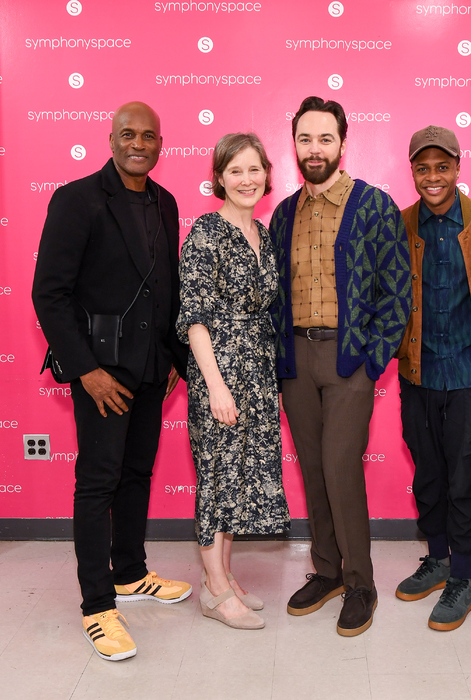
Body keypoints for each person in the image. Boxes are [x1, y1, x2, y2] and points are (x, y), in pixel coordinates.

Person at [32, 102, 191, 662]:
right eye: (129, 134)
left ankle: (129, 573)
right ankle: (98, 607)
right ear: (111, 138)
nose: (139, 143)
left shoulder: (165, 203)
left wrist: (175, 361)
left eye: (149, 135)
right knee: (98, 482)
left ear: (160, 143)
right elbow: (49, 294)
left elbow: (166, 289)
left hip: (152, 370)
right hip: (101, 371)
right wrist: (86, 371)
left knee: (137, 473)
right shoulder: (77, 199)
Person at [269, 96, 411, 637]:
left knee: (340, 468)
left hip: (349, 359)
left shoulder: (373, 206)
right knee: (311, 467)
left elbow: (398, 293)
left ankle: (360, 583)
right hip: (295, 363)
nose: (314, 148)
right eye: (305, 139)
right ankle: (326, 570)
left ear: (342, 143)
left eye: (325, 138)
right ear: (295, 145)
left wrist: (372, 360)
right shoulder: (284, 213)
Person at [395, 126, 471, 631]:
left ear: (458, 168)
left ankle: (463, 578)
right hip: (418, 374)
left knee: (465, 480)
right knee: (428, 476)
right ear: (414, 173)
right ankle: (439, 559)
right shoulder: (399, 225)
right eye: (423, 168)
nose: (433, 177)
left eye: (442, 167)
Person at [177, 133, 290, 631]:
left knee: (239, 478)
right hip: (218, 370)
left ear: (266, 173)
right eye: (235, 171)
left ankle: (221, 574)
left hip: (258, 370)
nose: (247, 180)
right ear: (219, 178)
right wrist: (216, 386)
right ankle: (215, 589)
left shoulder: (262, 234)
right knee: (216, 476)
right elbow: (194, 318)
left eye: (254, 169)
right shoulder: (205, 230)